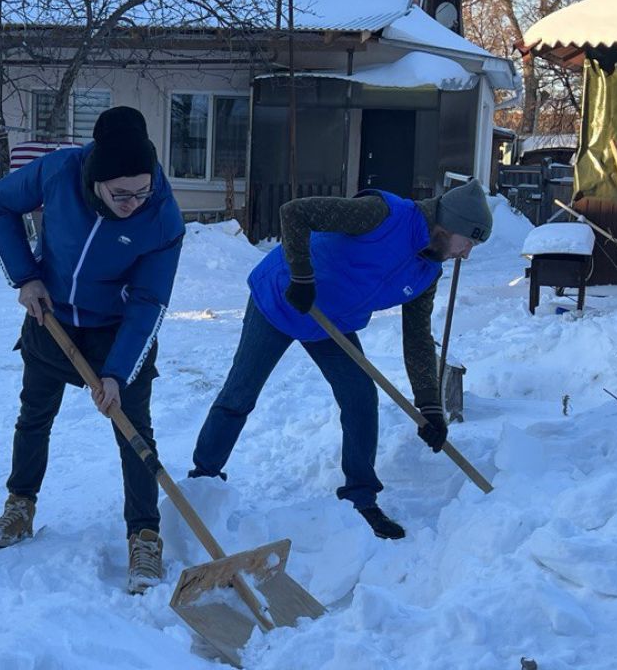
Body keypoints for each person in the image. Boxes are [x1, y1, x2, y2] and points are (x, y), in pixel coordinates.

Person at [189, 180, 494, 539]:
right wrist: (302, 275)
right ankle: (202, 485)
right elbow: (295, 213)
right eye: (469, 242)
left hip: (330, 323)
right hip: (282, 297)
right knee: (241, 392)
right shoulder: (383, 215)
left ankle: (360, 499)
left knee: (361, 398)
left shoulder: (427, 272)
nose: (467, 254)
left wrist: (429, 406)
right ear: (450, 225)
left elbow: (417, 339)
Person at [0, 106, 184, 594]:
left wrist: (116, 372)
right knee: (34, 416)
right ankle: (19, 508)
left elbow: (150, 300)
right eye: (122, 194)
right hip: (51, 318)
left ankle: (145, 535)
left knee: (134, 431)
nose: (134, 201)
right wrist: (26, 277)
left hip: (117, 330)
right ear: (96, 181)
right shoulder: (59, 172)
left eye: (143, 190)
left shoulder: (162, 217)